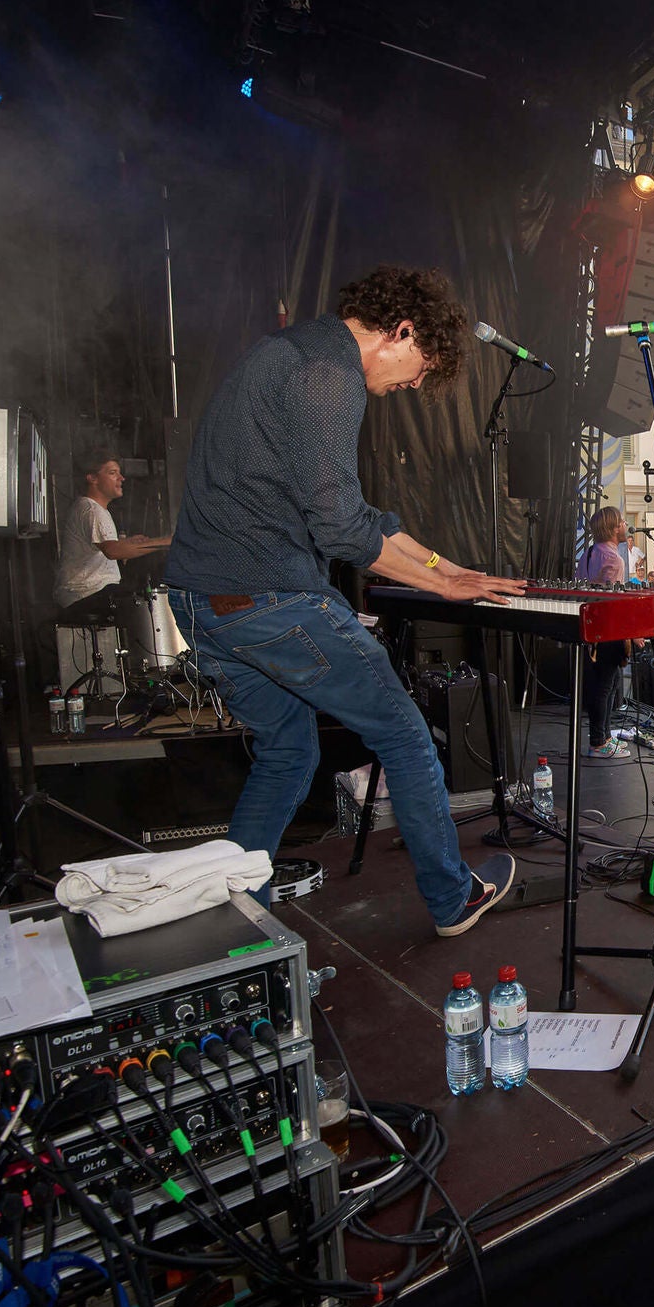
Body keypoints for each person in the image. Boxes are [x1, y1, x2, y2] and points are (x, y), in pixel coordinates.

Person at [165, 264, 522, 935]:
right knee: (408, 737)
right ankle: (451, 899)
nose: (415, 384)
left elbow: (366, 517)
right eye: (422, 367)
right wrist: (443, 585)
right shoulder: (328, 376)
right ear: (401, 331)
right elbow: (340, 530)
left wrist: (449, 566)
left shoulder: (292, 357)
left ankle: (238, 916)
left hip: (203, 605)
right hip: (270, 599)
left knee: (288, 751)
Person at [54, 451, 171, 619]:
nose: (121, 478)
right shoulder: (92, 510)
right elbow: (113, 552)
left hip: (88, 592)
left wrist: (130, 543)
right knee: (151, 600)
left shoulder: (92, 508)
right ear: (92, 478)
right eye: (112, 473)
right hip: (86, 594)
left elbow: (111, 549)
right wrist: (167, 541)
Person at [575, 505, 636, 761]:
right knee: (605, 687)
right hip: (608, 629)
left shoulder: (589, 554)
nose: (625, 526)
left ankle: (605, 737)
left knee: (605, 686)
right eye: (621, 522)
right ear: (613, 528)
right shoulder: (614, 559)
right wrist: (632, 633)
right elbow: (614, 601)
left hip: (590, 629)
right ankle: (598, 743)